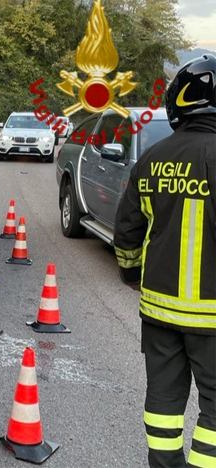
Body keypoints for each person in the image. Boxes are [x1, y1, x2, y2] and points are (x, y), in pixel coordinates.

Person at [113, 54, 216, 468]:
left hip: (159, 309)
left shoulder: (152, 158)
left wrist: (130, 273)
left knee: (163, 401)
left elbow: (126, 231)